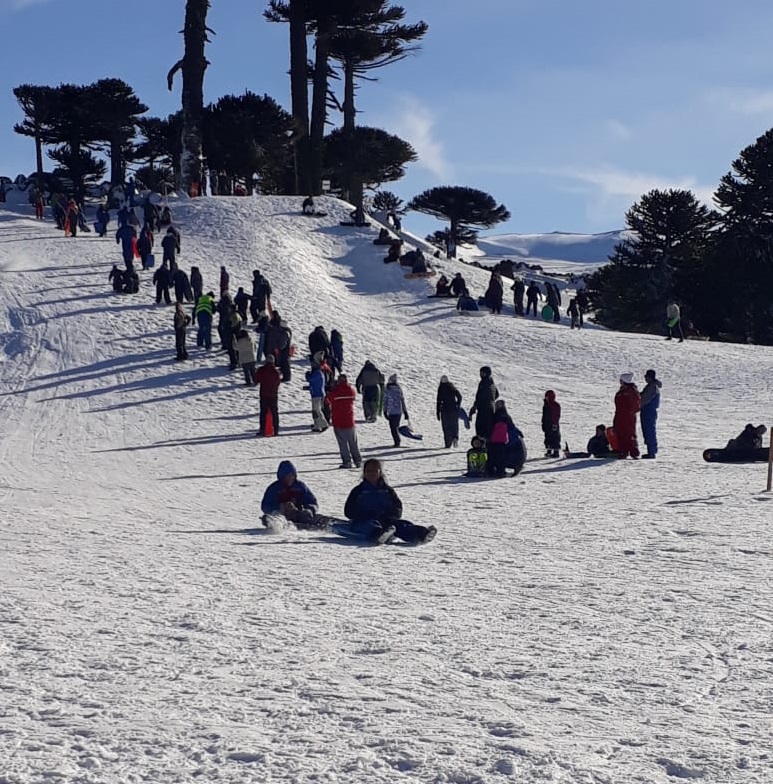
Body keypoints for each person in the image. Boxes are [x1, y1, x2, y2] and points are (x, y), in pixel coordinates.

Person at [342, 459, 436, 544]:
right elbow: (349, 510)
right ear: (364, 473)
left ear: (380, 473)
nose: (371, 473)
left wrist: (392, 515)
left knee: (401, 525)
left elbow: (397, 506)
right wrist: (364, 515)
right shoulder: (358, 491)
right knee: (368, 526)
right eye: (368, 471)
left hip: (385, 520)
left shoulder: (387, 490)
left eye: (374, 471)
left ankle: (420, 534)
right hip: (364, 520)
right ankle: (378, 534)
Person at [261, 461, 320, 529]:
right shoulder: (274, 488)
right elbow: (265, 505)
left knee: (312, 516)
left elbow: (311, 501)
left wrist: (309, 510)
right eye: (288, 476)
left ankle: (327, 524)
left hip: (298, 514)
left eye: (292, 475)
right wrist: (280, 507)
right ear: (282, 476)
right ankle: (276, 524)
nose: (290, 478)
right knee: (273, 516)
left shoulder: (300, 486)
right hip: (280, 515)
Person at [325, 374, 362, 468]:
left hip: (338, 421)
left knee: (343, 444)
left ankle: (347, 462)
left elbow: (327, 401)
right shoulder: (350, 390)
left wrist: (332, 389)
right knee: (353, 442)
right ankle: (358, 461)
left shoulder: (335, 392)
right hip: (350, 421)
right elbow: (354, 396)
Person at [614, 372, 641, 459]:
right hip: (621, 415)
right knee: (621, 432)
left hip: (627, 416)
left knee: (628, 433)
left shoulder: (630, 391)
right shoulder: (624, 390)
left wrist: (630, 412)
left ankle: (633, 451)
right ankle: (624, 451)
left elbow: (635, 405)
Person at [254, 355, 282, 436]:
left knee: (263, 412)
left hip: (264, 394)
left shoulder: (261, 370)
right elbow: (278, 382)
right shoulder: (276, 372)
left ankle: (262, 429)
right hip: (273, 395)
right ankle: (276, 430)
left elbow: (256, 380)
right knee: (274, 413)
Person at [469, 366, 498, 440]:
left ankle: (482, 443)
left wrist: (475, 407)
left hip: (484, 410)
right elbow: (497, 394)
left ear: (486, 373)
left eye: (482, 373)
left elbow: (481, 397)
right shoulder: (491, 383)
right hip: (490, 409)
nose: (480, 374)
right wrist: (491, 401)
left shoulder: (484, 383)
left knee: (481, 429)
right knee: (488, 429)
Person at [488, 399, 514, 477]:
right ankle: (500, 471)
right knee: (500, 457)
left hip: (494, 439)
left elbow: (490, 426)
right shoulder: (506, 416)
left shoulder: (494, 416)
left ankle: (492, 471)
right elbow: (511, 426)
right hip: (501, 440)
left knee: (493, 456)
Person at [640, 368, 662, 459]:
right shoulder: (652, 386)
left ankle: (651, 452)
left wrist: (637, 403)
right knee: (650, 430)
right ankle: (652, 450)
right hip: (649, 411)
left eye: (646, 377)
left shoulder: (651, 387)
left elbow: (645, 399)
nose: (645, 378)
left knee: (649, 431)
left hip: (648, 411)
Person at [383, 373, 409, 447]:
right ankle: (397, 441)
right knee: (396, 426)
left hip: (391, 411)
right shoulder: (399, 388)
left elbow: (385, 401)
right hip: (398, 411)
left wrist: (384, 411)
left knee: (393, 428)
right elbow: (402, 401)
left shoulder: (387, 389)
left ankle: (397, 442)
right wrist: (405, 412)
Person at [436, 375, 462, 448]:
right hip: (454, 409)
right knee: (454, 425)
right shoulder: (452, 387)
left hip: (445, 410)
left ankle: (448, 443)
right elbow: (459, 396)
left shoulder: (441, 388)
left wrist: (438, 412)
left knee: (446, 427)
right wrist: (458, 404)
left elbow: (438, 401)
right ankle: (455, 437)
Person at [305, 362, 329, 432]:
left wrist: (307, 374)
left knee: (317, 410)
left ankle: (324, 424)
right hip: (318, 394)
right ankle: (317, 425)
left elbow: (310, 379)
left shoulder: (317, 373)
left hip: (317, 395)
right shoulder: (320, 373)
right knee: (315, 411)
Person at [542, 390, 561, 457]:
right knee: (548, 437)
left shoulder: (555, 405)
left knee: (555, 437)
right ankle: (549, 451)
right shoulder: (546, 405)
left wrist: (555, 424)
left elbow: (556, 415)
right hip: (547, 424)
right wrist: (543, 424)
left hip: (553, 424)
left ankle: (556, 452)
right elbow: (544, 415)